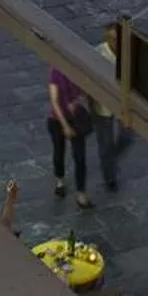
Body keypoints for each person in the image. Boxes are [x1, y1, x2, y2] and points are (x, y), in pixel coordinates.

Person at [89, 21, 130, 194]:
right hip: (102, 104)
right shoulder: (98, 53)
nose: (115, 42)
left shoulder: (127, 54)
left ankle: (110, 159)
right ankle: (110, 177)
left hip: (122, 104)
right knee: (105, 143)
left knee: (128, 137)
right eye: (112, 38)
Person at [46, 66, 93, 209]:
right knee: (59, 150)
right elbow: (54, 101)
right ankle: (60, 180)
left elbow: (85, 90)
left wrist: (78, 101)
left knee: (80, 156)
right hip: (57, 119)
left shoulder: (77, 69)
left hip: (75, 117)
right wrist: (65, 125)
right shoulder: (55, 71)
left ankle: (81, 193)